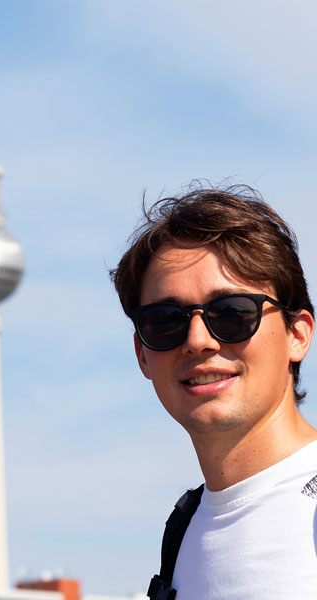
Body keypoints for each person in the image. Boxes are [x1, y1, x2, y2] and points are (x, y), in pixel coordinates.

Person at [111, 185, 317, 599]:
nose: (198, 340)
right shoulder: (183, 533)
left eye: (233, 313)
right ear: (142, 355)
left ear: (297, 335)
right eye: (165, 321)